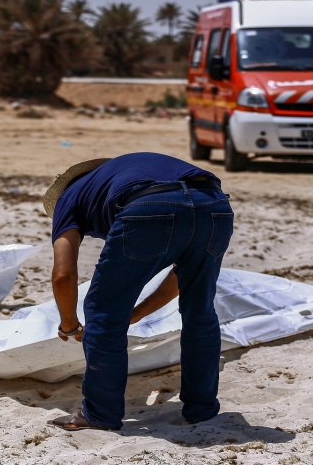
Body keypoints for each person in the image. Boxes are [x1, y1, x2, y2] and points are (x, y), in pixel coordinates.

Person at [44, 153, 234, 431]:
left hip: (148, 207)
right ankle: (202, 408)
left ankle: (99, 414)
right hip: (214, 205)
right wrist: (136, 314)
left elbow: (63, 275)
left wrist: (70, 325)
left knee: (102, 313)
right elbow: (181, 278)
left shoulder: (68, 198)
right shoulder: (125, 174)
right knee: (200, 311)